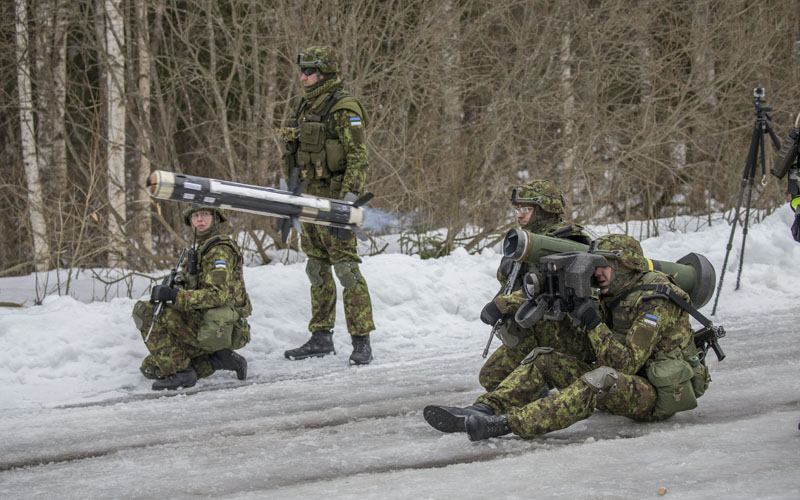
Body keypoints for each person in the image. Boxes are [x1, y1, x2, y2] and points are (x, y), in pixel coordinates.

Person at [424, 234, 711, 441]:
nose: (596, 274)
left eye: (603, 267)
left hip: (654, 395)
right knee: (543, 358)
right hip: (624, 378)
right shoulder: (613, 289)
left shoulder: (655, 300)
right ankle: (485, 408)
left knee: (600, 379)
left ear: (625, 266)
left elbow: (625, 366)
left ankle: (507, 423)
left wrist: (592, 321)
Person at [280, 45, 376, 365]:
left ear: (326, 73)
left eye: (310, 71)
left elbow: (358, 158)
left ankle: (361, 340)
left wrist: (347, 203)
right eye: (302, 71)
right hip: (309, 199)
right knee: (316, 268)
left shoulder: (344, 107)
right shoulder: (305, 106)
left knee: (346, 271)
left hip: (335, 202)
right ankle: (321, 336)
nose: (304, 77)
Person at [477, 180, 591, 392]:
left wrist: (503, 304)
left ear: (545, 210)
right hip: (528, 332)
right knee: (492, 378)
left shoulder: (566, 241)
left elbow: (554, 287)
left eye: (526, 209)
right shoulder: (525, 240)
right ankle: (537, 387)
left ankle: (544, 390)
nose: (519, 215)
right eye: (518, 209)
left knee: (514, 382)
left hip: (560, 332)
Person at [132, 205, 252, 390]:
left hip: (219, 327)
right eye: (195, 216)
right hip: (204, 320)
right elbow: (197, 286)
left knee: (145, 311)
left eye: (205, 214)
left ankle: (182, 374)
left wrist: (175, 296)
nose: (200, 220)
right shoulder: (203, 247)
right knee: (151, 368)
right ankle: (218, 360)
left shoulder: (219, 250)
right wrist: (174, 285)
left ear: (216, 218)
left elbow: (217, 295)